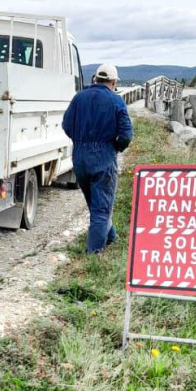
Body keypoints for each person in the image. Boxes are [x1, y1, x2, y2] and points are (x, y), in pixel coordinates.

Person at [62, 64, 133, 254]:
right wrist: (116, 147)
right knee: (101, 207)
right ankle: (94, 252)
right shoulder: (116, 101)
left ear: (95, 78)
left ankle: (111, 236)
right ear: (113, 81)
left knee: (95, 202)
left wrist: (80, 140)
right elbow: (126, 134)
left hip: (80, 157)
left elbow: (66, 124)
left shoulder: (79, 98)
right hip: (103, 155)